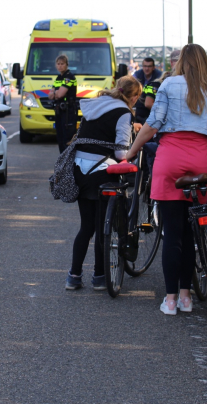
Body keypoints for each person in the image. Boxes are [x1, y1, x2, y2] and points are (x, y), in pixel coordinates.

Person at [126, 44, 207, 315]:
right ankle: (186, 296)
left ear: (181, 61)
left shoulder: (169, 85)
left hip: (170, 158)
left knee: (172, 234)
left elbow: (153, 124)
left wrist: (131, 152)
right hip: (200, 161)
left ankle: (170, 301)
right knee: (190, 232)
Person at [66, 75, 142, 290]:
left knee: (86, 227)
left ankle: (73, 276)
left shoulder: (94, 105)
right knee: (102, 228)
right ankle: (100, 276)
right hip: (102, 171)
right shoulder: (124, 113)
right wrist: (132, 152)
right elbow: (120, 152)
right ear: (134, 97)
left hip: (80, 169)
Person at [48, 54, 78, 153]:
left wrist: (55, 93)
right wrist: (55, 93)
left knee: (67, 138)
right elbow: (50, 95)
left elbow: (60, 94)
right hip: (59, 111)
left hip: (68, 111)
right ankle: (62, 161)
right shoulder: (58, 78)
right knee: (60, 138)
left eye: (62, 64)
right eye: (58, 64)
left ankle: (69, 162)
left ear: (66, 65)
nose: (60, 66)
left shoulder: (69, 77)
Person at [133, 57, 163, 125]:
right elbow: (130, 84)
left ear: (153, 67)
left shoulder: (159, 76)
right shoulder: (137, 74)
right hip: (140, 106)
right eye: (145, 66)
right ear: (142, 67)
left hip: (152, 106)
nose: (147, 69)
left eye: (149, 66)